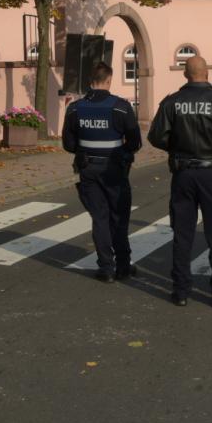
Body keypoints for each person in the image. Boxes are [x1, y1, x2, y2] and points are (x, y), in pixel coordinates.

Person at [148, 55, 212, 308]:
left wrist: (176, 147)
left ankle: (181, 291)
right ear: (207, 73)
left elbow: (156, 136)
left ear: (185, 74)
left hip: (183, 173)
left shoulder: (172, 103)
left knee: (183, 233)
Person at [62, 62, 142, 283]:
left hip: (88, 169)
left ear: (90, 81)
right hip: (114, 170)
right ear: (109, 80)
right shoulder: (121, 106)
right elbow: (135, 142)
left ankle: (106, 268)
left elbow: (68, 144)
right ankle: (124, 266)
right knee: (119, 217)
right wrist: (122, 152)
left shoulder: (75, 108)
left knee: (99, 218)